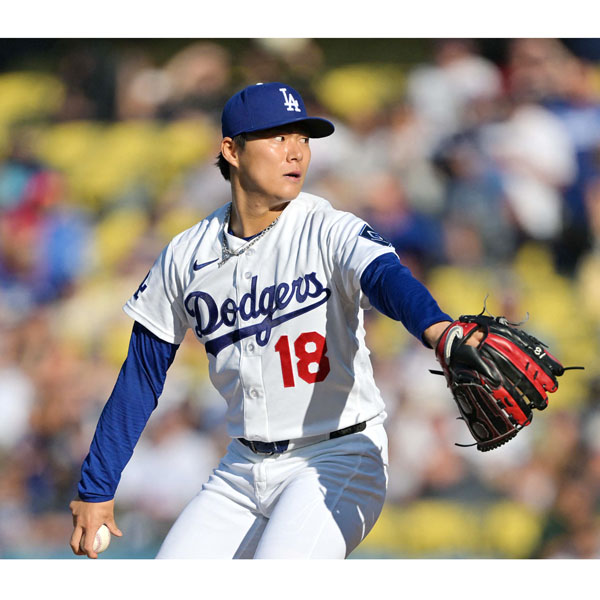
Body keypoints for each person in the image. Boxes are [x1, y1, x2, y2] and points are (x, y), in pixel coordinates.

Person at [69, 82, 464, 559]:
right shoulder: (186, 255)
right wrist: (97, 487)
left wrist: (438, 329)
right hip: (241, 469)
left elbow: (384, 276)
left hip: (337, 456)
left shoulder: (326, 227)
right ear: (231, 150)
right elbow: (140, 376)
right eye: (278, 137)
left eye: (303, 138)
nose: (296, 152)